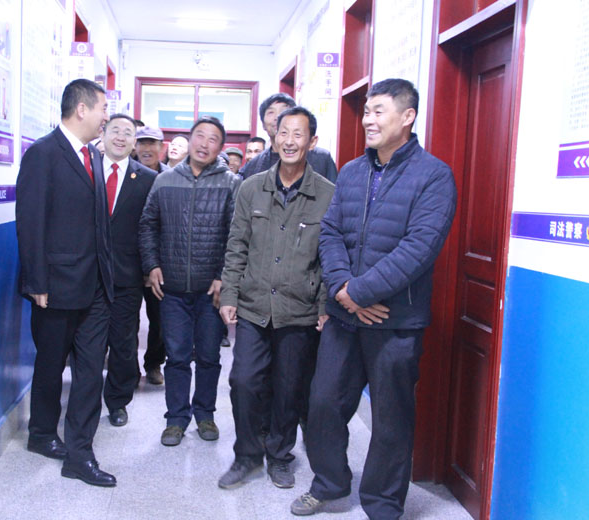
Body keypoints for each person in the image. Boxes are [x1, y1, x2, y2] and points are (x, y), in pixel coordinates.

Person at [290, 79, 457, 517]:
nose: (368, 120)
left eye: (378, 111)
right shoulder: (351, 172)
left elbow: (419, 247)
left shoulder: (434, 176)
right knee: (323, 404)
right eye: (366, 111)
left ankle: (383, 503)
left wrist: (360, 292)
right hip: (343, 318)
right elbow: (330, 233)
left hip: (395, 321)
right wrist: (344, 291)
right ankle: (329, 483)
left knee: (391, 419)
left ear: (408, 116)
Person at [218, 107, 334, 491]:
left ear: (312, 142)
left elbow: (331, 257)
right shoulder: (251, 188)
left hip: (299, 309)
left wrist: (324, 306)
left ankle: (280, 455)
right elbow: (236, 246)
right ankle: (247, 455)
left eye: (298, 134)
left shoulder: (327, 195)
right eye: (283, 132)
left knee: (289, 389)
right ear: (274, 137)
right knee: (243, 381)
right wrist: (229, 294)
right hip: (253, 305)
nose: (289, 141)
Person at [15, 78, 116, 487]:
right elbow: (30, 222)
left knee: (91, 372)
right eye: (103, 108)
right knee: (51, 364)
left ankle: (79, 454)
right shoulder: (43, 154)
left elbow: (99, 222)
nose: (106, 116)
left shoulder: (93, 156)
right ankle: (41, 433)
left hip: (96, 286)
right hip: (55, 286)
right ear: (82, 109)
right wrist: (36, 281)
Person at [139, 116, 242, 447]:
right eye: (200, 136)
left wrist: (224, 276)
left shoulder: (231, 183)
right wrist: (152, 265)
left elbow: (238, 235)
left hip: (211, 291)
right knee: (177, 357)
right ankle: (176, 419)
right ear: (188, 139)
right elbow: (148, 225)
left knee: (209, 357)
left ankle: (205, 415)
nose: (204, 144)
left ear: (220, 147)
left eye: (213, 139)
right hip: (172, 290)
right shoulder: (165, 180)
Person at [100, 114, 157, 427]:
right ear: (103, 134)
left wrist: (149, 267)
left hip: (127, 275)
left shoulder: (147, 178)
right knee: (89, 343)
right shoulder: (87, 170)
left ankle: (118, 401)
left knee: (123, 342)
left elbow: (151, 227)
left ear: (134, 141)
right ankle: (86, 396)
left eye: (127, 133)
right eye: (115, 131)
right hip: (88, 273)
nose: (120, 137)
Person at [239, 93, 338, 183]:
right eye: (271, 112)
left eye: (284, 110)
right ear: (263, 125)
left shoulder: (322, 158)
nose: (278, 116)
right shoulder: (253, 165)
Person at [134, 124, 168, 385]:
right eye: (142, 143)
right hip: (129, 259)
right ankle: (127, 368)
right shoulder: (127, 173)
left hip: (160, 261)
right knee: (127, 320)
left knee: (161, 318)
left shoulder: (170, 178)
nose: (147, 148)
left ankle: (154, 363)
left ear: (161, 147)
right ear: (135, 147)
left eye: (152, 143)